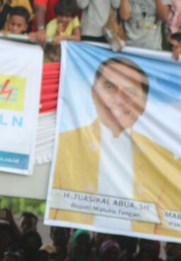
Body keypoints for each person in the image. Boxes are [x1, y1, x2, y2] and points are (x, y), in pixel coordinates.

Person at [50, 57, 181, 236]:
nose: (119, 100)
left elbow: (166, 226)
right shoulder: (63, 145)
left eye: (131, 91)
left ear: (143, 104)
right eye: (110, 87)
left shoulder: (163, 160)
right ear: (93, 93)